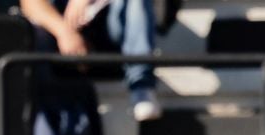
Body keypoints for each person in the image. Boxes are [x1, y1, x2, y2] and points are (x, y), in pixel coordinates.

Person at [19, 0, 165, 122]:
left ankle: (141, 86)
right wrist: (65, 32)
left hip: (110, 30)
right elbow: (31, 4)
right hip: (57, 37)